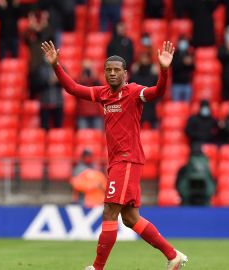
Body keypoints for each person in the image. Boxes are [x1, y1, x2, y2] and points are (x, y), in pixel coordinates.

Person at [41, 40, 188, 270]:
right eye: (108, 70)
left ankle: (97, 268)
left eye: (116, 70)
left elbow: (158, 91)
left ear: (125, 73)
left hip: (127, 159)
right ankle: (172, 256)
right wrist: (56, 65)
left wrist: (164, 70)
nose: (111, 73)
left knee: (109, 210)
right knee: (130, 218)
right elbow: (73, 88)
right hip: (118, 162)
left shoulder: (134, 92)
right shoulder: (103, 94)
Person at [24, 9, 53, 99]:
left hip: (42, 68)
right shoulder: (32, 42)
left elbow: (49, 35)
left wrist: (45, 23)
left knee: (43, 93)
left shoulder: (44, 42)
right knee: (32, 93)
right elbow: (25, 36)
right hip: (33, 68)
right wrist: (30, 26)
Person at [130, 52, 159, 129]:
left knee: (153, 132)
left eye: (146, 58)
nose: (144, 60)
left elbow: (159, 89)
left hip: (151, 106)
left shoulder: (153, 76)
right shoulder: (134, 76)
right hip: (138, 108)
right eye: (142, 58)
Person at [35, 60, 64, 130]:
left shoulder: (60, 67)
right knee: (44, 127)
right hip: (45, 102)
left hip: (58, 103)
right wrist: (48, 82)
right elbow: (35, 85)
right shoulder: (40, 68)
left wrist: (57, 81)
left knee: (58, 127)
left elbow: (67, 83)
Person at [77, 61, 104, 129]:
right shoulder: (80, 79)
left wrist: (93, 74)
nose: (87, 71)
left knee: (97, 137)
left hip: (95, 112)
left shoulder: (95, 80)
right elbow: (76, 88)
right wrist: (82, 76)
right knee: (83, 137)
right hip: (82, 112)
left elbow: (101, 88)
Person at [171, 36, 194, 102]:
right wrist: (183, 62)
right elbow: (173, 66)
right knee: (176, 107)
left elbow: (193, 67)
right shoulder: (174, 54)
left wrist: (190, 63)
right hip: (176, 85)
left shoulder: (189, 54)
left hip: (186, 84)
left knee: (187, 107)